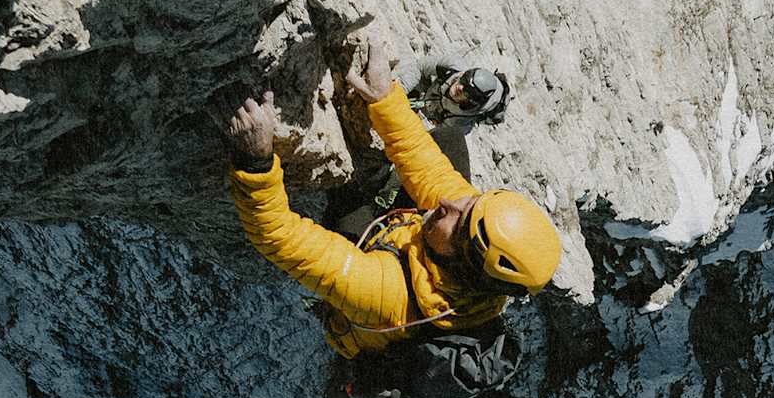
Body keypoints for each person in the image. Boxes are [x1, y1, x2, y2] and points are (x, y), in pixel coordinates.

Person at [222, 41, 560, 359]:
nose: (449, 204)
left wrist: (256, 161)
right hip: (417, 248)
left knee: (351, 189)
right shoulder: (473, 234)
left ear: (461, 262)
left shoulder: (381, 294)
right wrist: (384, 98)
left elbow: (277, 236)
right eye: (471, 203)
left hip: (380, 272)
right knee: (448, 140)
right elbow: (420, 157)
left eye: (459, 219)